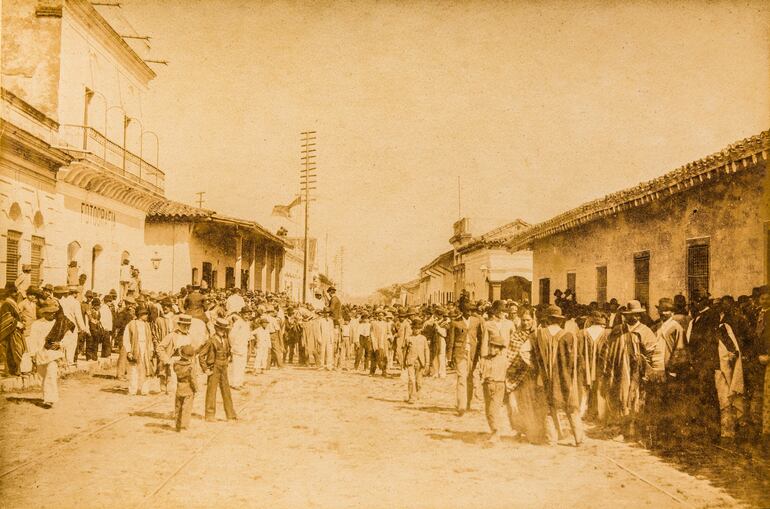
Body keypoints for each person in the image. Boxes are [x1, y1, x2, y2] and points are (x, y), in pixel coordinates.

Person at [530, 304, 585, 446]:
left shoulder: (537, 334)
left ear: (547, 319)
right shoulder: (569, 336)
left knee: (548, 409)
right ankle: (578, 439)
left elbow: (525, 352)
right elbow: (576, 360)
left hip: (544, 378)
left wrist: (536, 366)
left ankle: (551, 439)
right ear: (560, 320)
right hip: (566, 379)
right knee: (572, 409)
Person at [447, 303, 484, 416]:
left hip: (473, 353)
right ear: (462, 310)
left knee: (470, 378)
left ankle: (468, 402)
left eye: (471, 310)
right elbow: (451, 341)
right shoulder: (455, 322)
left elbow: (481, 339)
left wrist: (481, 354)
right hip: (460, 353)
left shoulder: (476, 322)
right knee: (461, 377)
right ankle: (461, 406)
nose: (469, 312)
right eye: (467, 310)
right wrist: (449, 357)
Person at [198, 317, 237, 421]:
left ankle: (230, 415)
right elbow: (201, 355)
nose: (222, 331)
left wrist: (227, 360)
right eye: (220, 328)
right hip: (214, 367)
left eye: (224, 329)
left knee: (226, 390)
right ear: (216, 328)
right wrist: (205, 369)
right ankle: (210, 415)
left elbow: (228, 352)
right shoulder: (211, 341)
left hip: (223, 366)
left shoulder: (225, 339)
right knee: (212, 391)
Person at [29, 302, 63, 408]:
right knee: (43, 376)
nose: (52, 314)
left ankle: (49, 400)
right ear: (44, 313)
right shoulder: (37, 324)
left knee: (51, 374)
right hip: (40, 353)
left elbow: (67, 336)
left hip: (53, 354)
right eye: (49, 312)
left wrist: (60, 344)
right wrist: (32, 354)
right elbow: (32, 340)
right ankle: (46, 396)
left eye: (53, 312)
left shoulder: (59, 324)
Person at [123, 305, 156, 396]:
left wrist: (151, 350)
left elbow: (150, 339)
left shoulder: (147, 325)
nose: (146, 316)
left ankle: (144, 390)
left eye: (146, 314)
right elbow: (126, 339)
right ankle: (132, 390)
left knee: (145, 370)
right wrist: (129, 351)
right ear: (139, 314)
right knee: (133, 370)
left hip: (145, 349)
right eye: (144, 314)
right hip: (135, 349)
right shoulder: (131, 324)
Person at [482, 334, 509, 443]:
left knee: (493, 410)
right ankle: (494, 431)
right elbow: (479, 372)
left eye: (496, 347)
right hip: (487, 385)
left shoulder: (504, 360)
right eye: (491, 346)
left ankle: (496, 432)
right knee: (488, 410)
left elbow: (509, 375)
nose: (493, 349)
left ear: (500, 349)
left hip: (499, 386)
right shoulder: (484, 359)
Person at [1, 283, 26, 376]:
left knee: (17, 349)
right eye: (14, 292)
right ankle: (11, 371)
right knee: (11, 350)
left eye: (16, 291)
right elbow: (6, 318)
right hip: (10, 331)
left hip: (15, 331)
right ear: (9, 293)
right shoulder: (7, 303)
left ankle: (15, 370)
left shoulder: (13, 302)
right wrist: (17, 323)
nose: (16, 293)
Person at [173, 345, 199, 432]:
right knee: (186, 408)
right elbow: (193, 379)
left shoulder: (176, 364)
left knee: (178, 407)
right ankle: (184, 426)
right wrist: (196, 389)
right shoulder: (191, 366)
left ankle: (177, 425)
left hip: (179, 386)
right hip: (188, 388)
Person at [404, 318, 429, 404]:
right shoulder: (408, 338)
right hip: (411, 361)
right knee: (411, 379)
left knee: (419, 381)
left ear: (421, 329)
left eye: (418, 328)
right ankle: (411, 397)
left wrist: (427, 362)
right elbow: (405, 350)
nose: (416, 330)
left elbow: (426, 350)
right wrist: (404, 361)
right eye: (415, 328)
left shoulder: (423, 338)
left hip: (420, 362)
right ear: (412, 329)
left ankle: (418, 394)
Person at [229, 307, 251, 389]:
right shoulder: (238, 323)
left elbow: (248, 335)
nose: (247, 316)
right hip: (237, 347)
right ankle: (235, 383)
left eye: (248, 314)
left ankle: (240, 382)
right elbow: (231, 335)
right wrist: (234, 346)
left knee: (242, 366)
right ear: (241, 314)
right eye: (245, 314)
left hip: (244, 346)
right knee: (237, 366)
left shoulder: (247, 323)